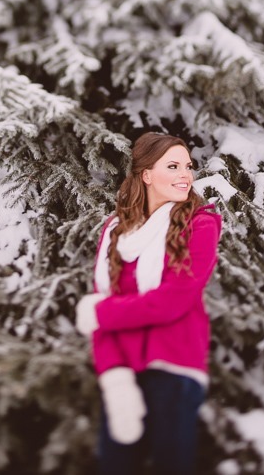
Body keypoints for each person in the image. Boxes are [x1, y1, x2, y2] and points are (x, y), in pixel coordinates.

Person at [75, 132, 222, 475]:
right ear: (146, 174)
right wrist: (113, 375)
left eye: (187, 166)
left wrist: (99, 312)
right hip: (123, 376)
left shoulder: (200, 224)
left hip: (173, 369)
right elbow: (104, 305)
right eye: (172, 166)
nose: (185, 174)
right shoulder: (115, 232)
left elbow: (173, 301)